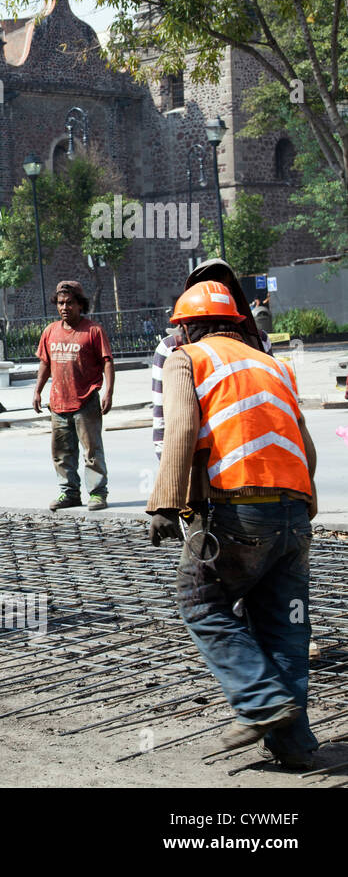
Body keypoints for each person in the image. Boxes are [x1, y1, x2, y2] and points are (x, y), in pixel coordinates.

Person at [146, 280, 319, 770]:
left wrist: (164, 502)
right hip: (293, 512)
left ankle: (260, 700)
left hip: (237, 509)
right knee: (284, 628)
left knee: (200, 600)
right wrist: (304, 508)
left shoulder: (190, 358)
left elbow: (180, 429)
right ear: (238, 322)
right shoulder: (273, 363)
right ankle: (297, 745)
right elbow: (304, 445)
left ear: (190, 326)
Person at [151, 259, 271, 458]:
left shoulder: (258, 342)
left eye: (223, 286)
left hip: (255, 450)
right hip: (200, 457)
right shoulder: (172, 348)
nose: (215, 293)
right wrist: (167, 462)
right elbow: (163, 419)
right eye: (207, 287)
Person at [33, 280, 114, 511]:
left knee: (92, 451)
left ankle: (98, 493)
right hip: (58, 403)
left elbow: (107, 362)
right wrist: (37, 391)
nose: (64, 307)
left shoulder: (93, 331)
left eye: (69, 303)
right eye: (60, 303)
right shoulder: (50, 331)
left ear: (80, 305)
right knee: (61, 453)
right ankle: (69, 493)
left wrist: (109, 391)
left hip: (86, 401)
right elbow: (45, 363)